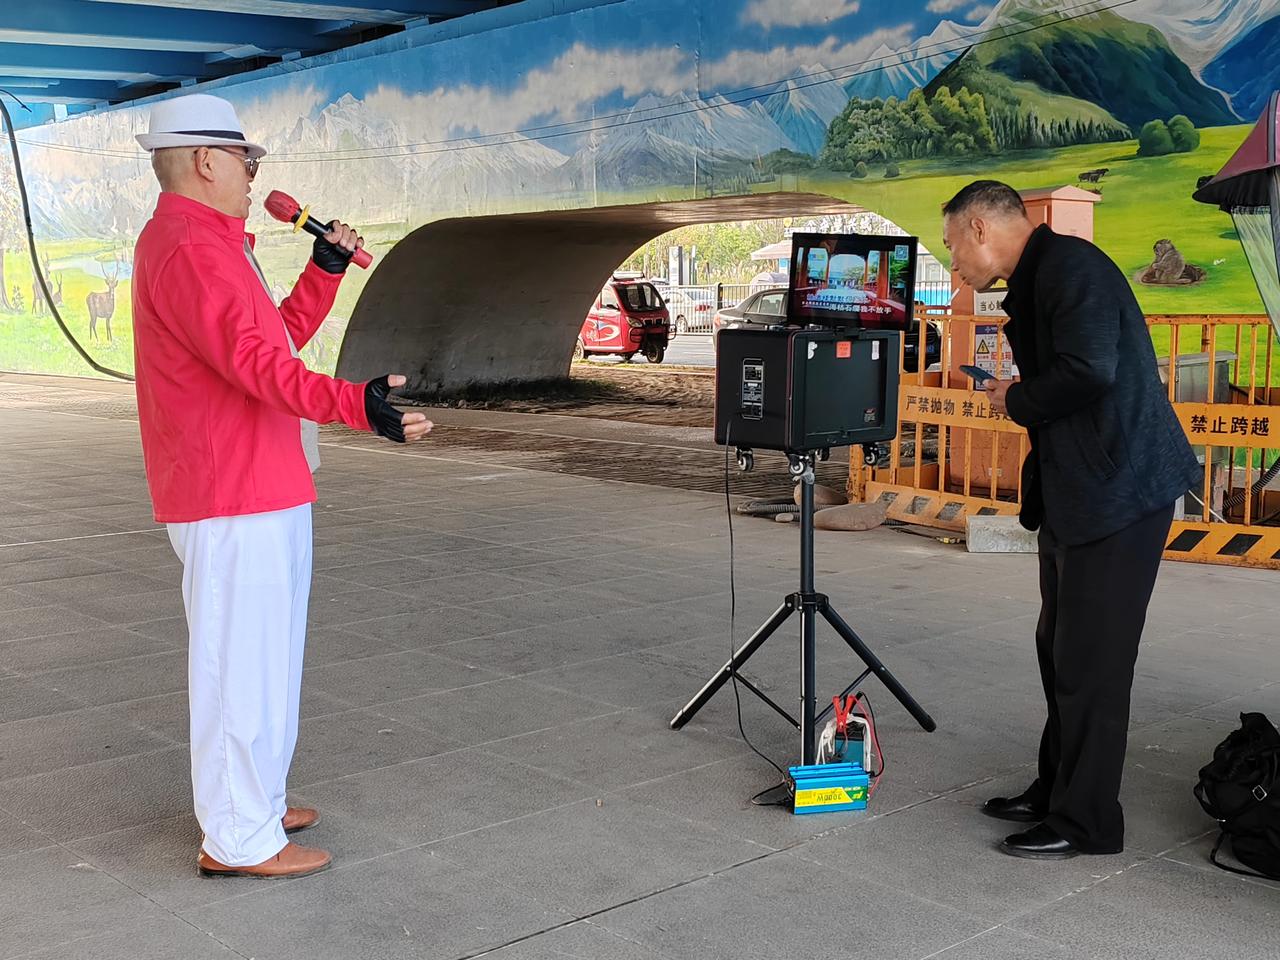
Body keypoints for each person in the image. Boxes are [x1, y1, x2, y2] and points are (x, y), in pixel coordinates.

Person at [132, 93, 433, 879]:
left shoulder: (211, 245)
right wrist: (357, 406)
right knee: (241, 665)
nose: (253, 173)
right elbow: (259, 367)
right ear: (205, 160)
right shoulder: (188, 249)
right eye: (245, 159)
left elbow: (272, 339)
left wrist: (323, 271)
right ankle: (238, 837)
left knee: (265, 660)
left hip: (259, 481)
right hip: (230, 489)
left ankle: (256, 802)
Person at [941, 180, 1200, 860]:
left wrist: (1016, 396)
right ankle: (1056, 788)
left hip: (1121, 491)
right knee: (1060, 649)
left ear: (979, 228)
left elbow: (1090, 371)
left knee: (1093, 661)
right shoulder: (1040, 275)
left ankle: (1087, 822)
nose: (952, 263)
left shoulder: (1071, 269)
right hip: (1080, 489)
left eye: (951, 245)